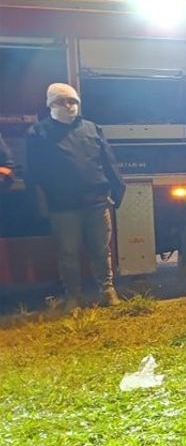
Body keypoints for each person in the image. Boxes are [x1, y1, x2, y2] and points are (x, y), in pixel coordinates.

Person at [25, 83, 125, 308]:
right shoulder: (38, 133)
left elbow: (109, 162)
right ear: (51, 104)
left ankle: (107, 291)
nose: (68, 106)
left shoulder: (92, 129)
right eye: (62, 101)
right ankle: (74, 296)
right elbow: (33, 173)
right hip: (62, 207)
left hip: (96, 204)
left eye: (73, 101)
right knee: (68, 254)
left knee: (101, 251)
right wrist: (39, 204)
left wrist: (118, 191)